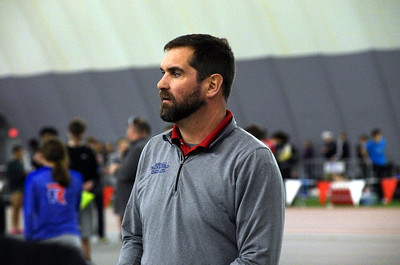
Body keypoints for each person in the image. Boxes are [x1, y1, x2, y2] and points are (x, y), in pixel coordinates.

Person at [117, 34, 285, 265]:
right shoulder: (153, 150)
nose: (161, 84)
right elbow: (134, 237)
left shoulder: (252, 160)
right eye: (163, 73)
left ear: (212, 85)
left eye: (175, 73)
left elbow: (257, 259)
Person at [23, 138, 83, 251]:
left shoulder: (34, 178)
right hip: (70, 238)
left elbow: (29, 212)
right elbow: (76, 207)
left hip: (43, 238)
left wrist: (29, 240)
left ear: (43, 155)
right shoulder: (76, 177)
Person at [67, 118, 100, 263]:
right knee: (69, 230)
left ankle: (87, 259)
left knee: (85, 230)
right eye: (74, 134)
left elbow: (96, 174)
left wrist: (90, 183)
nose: (76, 137)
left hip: (85, 195)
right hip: (67, 196)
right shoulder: (64, 151)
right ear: (69, 134)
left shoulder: (88, 151)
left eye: (78, 134)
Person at [113, 116, 150, 230]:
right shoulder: (148, 144)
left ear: (132, 130)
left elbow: (125, 174)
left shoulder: (137, 148)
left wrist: (116, 169)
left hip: (130, 201)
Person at [6, 145, 27, 234]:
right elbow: (12, 176)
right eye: (20, 152)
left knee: (19, 208)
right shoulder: (12, 163)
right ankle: (14, 226)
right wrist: (23, 175)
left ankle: (18, 226)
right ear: (15, 152)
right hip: (15, 188)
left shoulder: (20, 162)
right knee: (15, 208)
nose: (21, 153)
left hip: (21, 187)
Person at [366, 128, 388, 201]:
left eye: (379, 136)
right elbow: (364, 150)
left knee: (383, 180)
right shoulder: (370, 144)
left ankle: (385, 196)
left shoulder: (383, 142)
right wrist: (367, 158)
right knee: (376, 180)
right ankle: (378, 196)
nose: (378, 137)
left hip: (383, 163)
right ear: (374, 136)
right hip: (374, 164)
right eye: (377, 136)